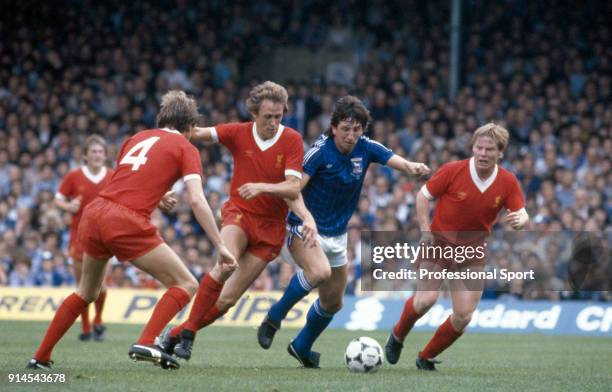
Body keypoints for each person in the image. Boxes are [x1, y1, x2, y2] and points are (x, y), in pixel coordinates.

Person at [28, 91, 236, 370]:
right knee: (186, 284)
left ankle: (40, 358)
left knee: (86, 292)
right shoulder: (187, 147)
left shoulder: (135, 138)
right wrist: (220, 245)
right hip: (124, 220)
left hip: (94, 213)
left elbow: (125, 177)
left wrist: (158, 195)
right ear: (188, 127)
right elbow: (197, 199)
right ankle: (147, 340)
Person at [256, 95, 430, 367]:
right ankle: (274, 316)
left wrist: (413, 167)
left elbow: (396, 160)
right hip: (303, 227)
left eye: (357, 129)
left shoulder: (366, 147)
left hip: (337, 236)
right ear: (334, 127)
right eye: (345, 129)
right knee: (319, 272)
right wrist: (306, 219)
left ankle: (302, 346)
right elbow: (292, 192)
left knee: (333, 302)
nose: (351, 135)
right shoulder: (318, 152)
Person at [161, 81, 316, 361]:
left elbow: (294, 187)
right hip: (240, 215)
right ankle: (188, 336)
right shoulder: (236, 132)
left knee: (227, 301)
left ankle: (175, 334)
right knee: (226, 263)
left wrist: (262, 187)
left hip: (270, 228)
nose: (273, 122)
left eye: (278, 116)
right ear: (254, 114)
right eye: (267, 116)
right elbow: (193, 134)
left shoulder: (291, 139)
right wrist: (169, 125)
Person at [385, 123, 529, 370]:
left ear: (500, 153)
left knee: (463, 316)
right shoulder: (453, 170)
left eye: (490, 149)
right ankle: (397, 335)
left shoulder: (508, 181)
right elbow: (423, 196)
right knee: (425, 301)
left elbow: (522, 214)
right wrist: (424, 231)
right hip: (439, 243)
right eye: (479, 147)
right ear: (473, 147)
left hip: (472, 252)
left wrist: (521, 221)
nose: (483, 153)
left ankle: (425, 357)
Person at [55, 135, 114, 342]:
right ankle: (86, 327)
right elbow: (58, 199)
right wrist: (69, 207)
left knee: (101, 284)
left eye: (100, 152)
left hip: (104, 238)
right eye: (93, 152)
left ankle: (97, 320)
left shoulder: (112, 176)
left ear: (105, 155)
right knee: (82, 285)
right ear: (85, 156)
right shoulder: (74, 176)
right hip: (78, 237)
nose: (97, 155)